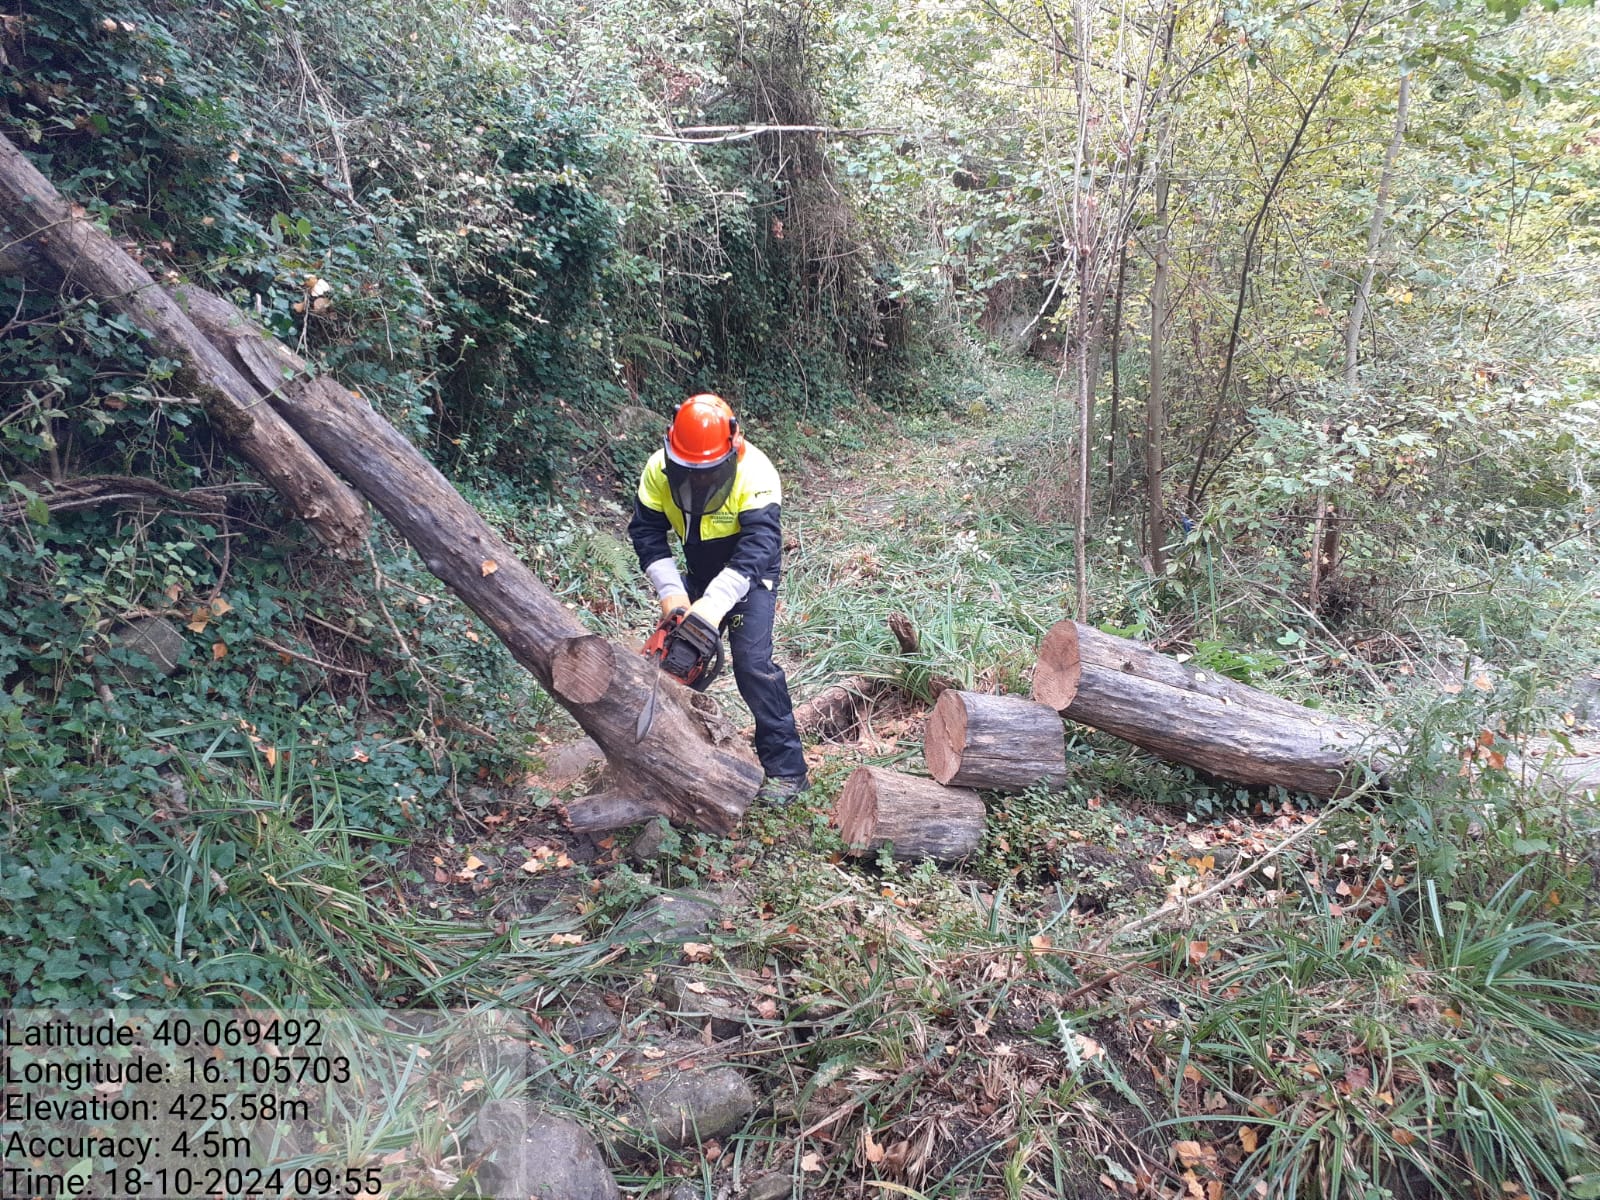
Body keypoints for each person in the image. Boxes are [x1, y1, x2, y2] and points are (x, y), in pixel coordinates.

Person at [627, 393, 810, 804]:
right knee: (673, 662)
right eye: (688, 472)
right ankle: (665, 757)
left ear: (732, 451)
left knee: (753, 665)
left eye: (708, 472)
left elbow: (760, 546)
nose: (699, 481)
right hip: (697, 570)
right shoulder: (658, 470)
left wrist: (711, 608)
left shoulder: (755, 472)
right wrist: (673, 595)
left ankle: (788, 773)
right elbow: (646, 533)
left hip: (749, 574)